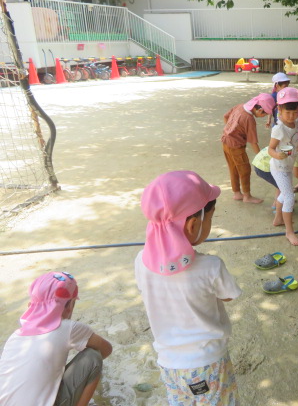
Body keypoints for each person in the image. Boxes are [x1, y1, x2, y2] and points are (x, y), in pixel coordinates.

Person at [136, 171, 242, 405]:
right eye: (211, 218)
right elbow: (228, 297)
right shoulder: (211, 266)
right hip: (208, 363)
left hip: (169, 364)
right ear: (193, 225)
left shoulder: (141, 261)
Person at [0, 271, 112, 406]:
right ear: (70, 306)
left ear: (32, 305)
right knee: (93, 357)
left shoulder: (15, 336)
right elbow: (106, 349)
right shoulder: (69, 328)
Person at [221, 92, 275, 204]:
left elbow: (225, 116)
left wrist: (230, 130)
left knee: (233, 168)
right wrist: (262, 157)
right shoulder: (249, 119)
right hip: (236, 146)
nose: (263, 117)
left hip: (225, 142)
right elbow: (253, 142)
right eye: (264, 115)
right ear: (259, 110)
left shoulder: (240, 106)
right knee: (244, 169)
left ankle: (236, 192)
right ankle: (247, 196)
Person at [268, 87, 298, 246]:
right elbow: (271, 149)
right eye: (287, 113)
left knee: (285, 193)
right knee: (290, 196)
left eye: (294, 112)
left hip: (287, 165)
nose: (291, 116)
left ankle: (278, 219)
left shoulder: (295, 123)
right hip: (279, 167)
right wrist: (277, 154)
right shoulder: (278, 129)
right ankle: (289, 232)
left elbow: (291, 145)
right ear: (280, 110)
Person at [253, 125, 298, 208]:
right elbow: (297, 173)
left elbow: (296, 165)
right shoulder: (291, 150)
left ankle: (281, 202)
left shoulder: (289, 145)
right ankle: (277, 206)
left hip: (260, 162)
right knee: (282, 185)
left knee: (282, 184)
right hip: (263, 167)